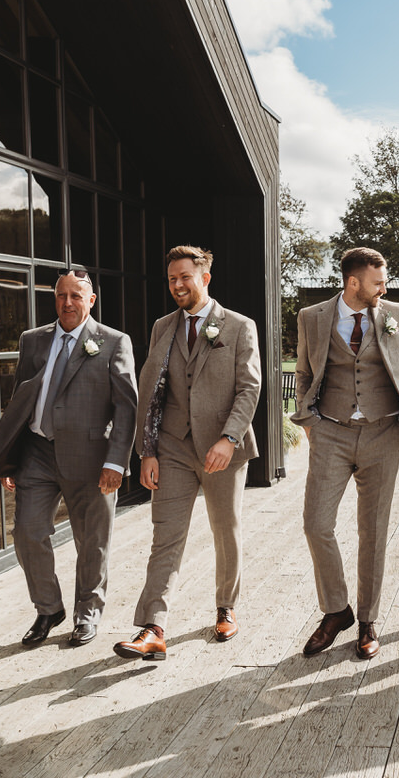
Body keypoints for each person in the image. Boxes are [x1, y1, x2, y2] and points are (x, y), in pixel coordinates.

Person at [113, 246, 262, 660]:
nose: (177, 285)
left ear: (205, 278)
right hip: (173, 447)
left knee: (225, 530)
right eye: (172, 279)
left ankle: (226, 606)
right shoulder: (163, 326)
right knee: (166, 536)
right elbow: (152, 390)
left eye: (185, 277)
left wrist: (228, 439)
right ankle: (152, 627)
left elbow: (250, 388)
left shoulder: (238, 325)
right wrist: (147, 450)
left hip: (222, 449)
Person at [0, 270, 138, 647]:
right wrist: (11, 457)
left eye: (76, 296)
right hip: (36, 452)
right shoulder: (32, 341)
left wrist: (116, 462)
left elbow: (127, 407)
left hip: (91, 457)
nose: (67, 303)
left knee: (92, 540)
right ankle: (48, 608)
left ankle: (88, 612)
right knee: (27, 532)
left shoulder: (114, 342)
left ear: (91, 300)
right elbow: (21, 400)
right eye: (61, 295)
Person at [292, 247, 399, 659]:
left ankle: (367, 620)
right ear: (353, 282)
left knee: (374, 531)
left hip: (384, 433)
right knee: (316, 524)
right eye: (378, 282)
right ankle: (336, 610)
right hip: (329, 432)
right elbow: (304, 370)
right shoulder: (311, 317)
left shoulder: (395, 315)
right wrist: (309, 422)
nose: (384, 288)